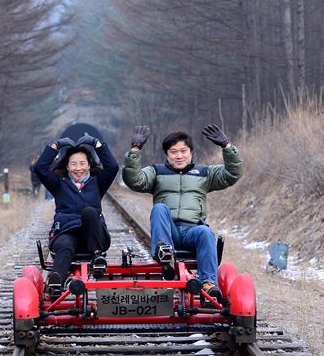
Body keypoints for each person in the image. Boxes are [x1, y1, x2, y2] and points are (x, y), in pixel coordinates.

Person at [122, 124, 243, 302]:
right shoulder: (156, 172)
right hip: (167, 232)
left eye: (183, 151)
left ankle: (208, 284)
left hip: (191, 232)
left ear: (191, 152)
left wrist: (227, 146)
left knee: (206, 232)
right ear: (167, 154)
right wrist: (135, 150)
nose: (179, 156)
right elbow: (134, 180)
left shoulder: (204, 173)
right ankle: (165, 256)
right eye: (173, 152)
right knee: (159, 208)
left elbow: (232, 174)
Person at [34, 133, 119, 300]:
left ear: (89, 165)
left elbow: (113, 167)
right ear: (66, 166)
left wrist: (97, 144)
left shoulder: (97, 183)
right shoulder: (59, 184)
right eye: (73, 164)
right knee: (65, 245)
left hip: (93, 235)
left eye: (82, 163)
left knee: (89, 211)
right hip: (67, 232)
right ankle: (56, 280)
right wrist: (55, 146)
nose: (78, 168)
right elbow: (40, 168)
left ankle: (97, 257)